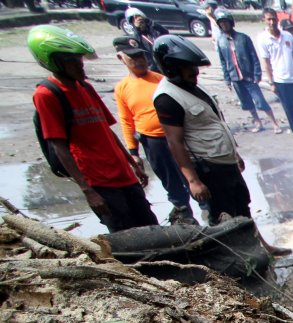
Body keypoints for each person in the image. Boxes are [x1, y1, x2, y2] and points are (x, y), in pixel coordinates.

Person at [152, 33, 289, 259]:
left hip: (224, 160)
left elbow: (217, 123)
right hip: (207, 166)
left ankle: (261, 247)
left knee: (242, 206)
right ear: (172, 67)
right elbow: (174, 142)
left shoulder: (193, 87)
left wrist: (234, 153)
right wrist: (193, 181)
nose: (195, 73)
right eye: (189, 69)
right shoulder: (167, 97)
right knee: (222, 216)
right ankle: (235, 259)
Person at [29, 25, 155, 232]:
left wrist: (132, 163)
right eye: (73, 62)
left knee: (150, 224)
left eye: (80, 60)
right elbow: (58, 146)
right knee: (126, 234)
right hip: (98, 180)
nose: (81, 66)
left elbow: (106, 131)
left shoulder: (85, 87)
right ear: (56, 62)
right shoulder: (47, 95)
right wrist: (88, 191)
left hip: (122, 173)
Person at [112, 36, 197, 225]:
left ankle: (209, 211)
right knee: (170, 180)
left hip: (178, 136)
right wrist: (133, 152)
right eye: (133, 57)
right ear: (121, 58)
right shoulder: (122, 88)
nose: (139, 60)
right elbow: (126, 120)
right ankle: (185, 216)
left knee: (192, 174)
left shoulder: (161, 80)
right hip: (153, 142)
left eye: (141, 55)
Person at [214, 8, 283, 134]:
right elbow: (223, 61)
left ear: (230, 22)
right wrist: (227, 79)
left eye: (226, 22)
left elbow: (253, 56)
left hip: (248, 76)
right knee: (246, 103)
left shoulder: (243, 38)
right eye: (221, 23)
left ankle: (274, 123)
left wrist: (257, 73)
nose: (224, 25)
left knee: (260, 101)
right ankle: (257, 122)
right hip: (235, 77)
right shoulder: (221, 41)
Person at [257, 7, 293, 141]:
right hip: (280, 80)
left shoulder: (288, 36)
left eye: (273, 19)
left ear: (277, 19)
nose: (272, 22)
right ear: (264, 20)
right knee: (289, 109)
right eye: (268, 19)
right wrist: (271, 82)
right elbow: (266, 63)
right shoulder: (263, 39)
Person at [124, 6, 168, 71]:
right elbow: (136, 45)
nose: (138, 21)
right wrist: (137, 30)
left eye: (140, 18)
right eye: (134, 19)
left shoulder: (153, 30)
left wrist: (151, 23)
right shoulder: (135, 36)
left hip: (162, 63)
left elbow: (165, 32)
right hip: (150, 67)